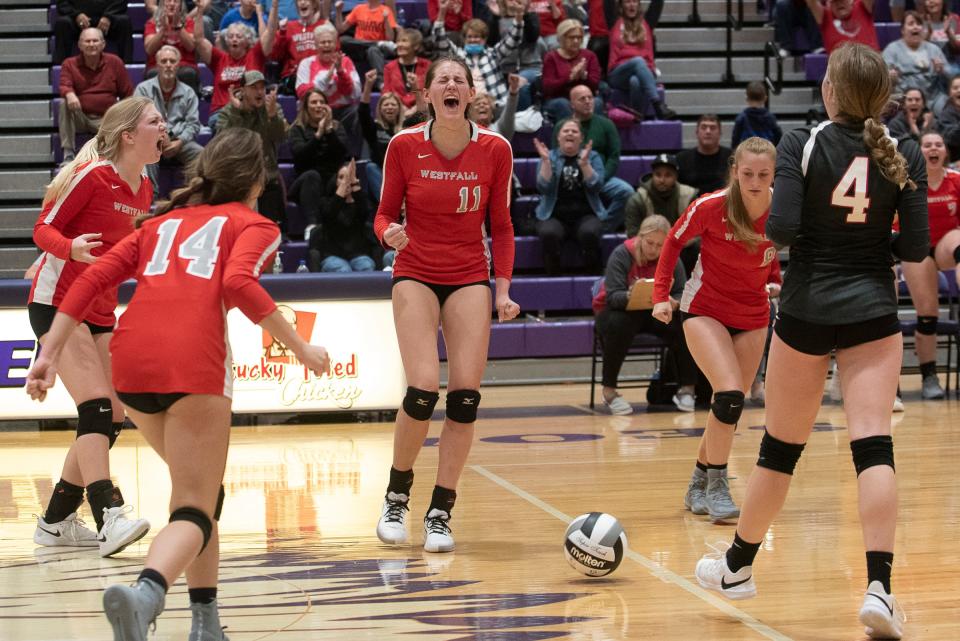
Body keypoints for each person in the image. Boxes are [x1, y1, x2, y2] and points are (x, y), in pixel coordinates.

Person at [26, 128, 331, 641]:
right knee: (195, 504)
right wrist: (300, 348)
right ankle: (147, 593)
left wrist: (50, 352)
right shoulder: (255, 224)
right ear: (258, 179)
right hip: (191, 361)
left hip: (130, 362)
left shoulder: (160, 220)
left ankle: (206, 622)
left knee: (203, 496)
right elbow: (237, 283)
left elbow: (90, 279)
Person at [693, 44, 928, 641]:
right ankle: (879, 588)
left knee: (779, 448)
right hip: (873, 309)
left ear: (831, 91)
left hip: (805, 307)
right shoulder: (902, 150)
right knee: (873, 446)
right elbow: (915, 249)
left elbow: (783, 228)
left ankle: (739, 567)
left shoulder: (803, 141)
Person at [372, 56, 520, 553]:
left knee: (464, 397)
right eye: (443, 80)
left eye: (460, 79)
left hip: (469, 274)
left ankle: (440, 510)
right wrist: (388, 234)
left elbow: (500, 225)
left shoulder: (496, 149)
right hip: (414, 267)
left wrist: (503, 290)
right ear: (427, 94)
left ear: (472, 93)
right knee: (421, 389)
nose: (452, 85)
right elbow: (384, 215)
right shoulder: (404, 145)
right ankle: (397, 495)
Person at [29, 96, 161, 559]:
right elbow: (42, 229)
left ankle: (55, 520)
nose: (162, 127)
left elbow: (129, 252)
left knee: (115, 415)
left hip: (102, 311)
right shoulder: (92, 177)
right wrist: (70, 249)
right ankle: (111, 514)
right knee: (97, 409)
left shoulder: (144, 187)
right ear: (129, 135)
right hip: (57, 305)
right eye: (153, 121)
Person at [652, 137, 782, 523]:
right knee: (727, 396)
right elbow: (673, 242)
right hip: (703, 309)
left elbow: (775, 254)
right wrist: (662, 295)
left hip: (754, 314)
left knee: (729, 407)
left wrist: (777, 280)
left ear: (774, 174)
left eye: (763, 174)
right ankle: (718, 487)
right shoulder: (711, 206)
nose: (755, 182)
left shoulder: (785, 209)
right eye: (747, 174)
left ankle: (697, 480)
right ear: (734, 171)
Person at [594, 214, 697, 414]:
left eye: (660, 245)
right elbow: (612, 297)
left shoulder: (672, 258)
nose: (654, 249)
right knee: (619, 324)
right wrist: (632, 295)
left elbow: (682, 292)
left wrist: (674, 303)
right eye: (650, 243)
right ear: (640, 237)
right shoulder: (622, 254)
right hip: (618, 312)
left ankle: (688, 389)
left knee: (687, 323)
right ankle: (609, 391)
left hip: (655, 313)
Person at [900, 129, 960, 399]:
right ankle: (929, 376)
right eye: (927, 145)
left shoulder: (956, 180)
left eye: (938, 144)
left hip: (949, 245)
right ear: (919, 151)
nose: (933, 148)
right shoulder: (908, 182)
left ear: (945, 152)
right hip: (919, 247)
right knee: (928, 315)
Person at [217, 70, 290, 228]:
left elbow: (281, 138)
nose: (259, 92)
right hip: (238, 176)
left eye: (262, 87)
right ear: (242, 90)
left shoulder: (272, 108)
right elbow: (226, 143)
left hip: (266, 175)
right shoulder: (228, 112)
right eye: (253, 87)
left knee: (270, 227)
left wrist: (272, 117)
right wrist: (239, 113)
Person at [534, 120, 608, 275]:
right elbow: (543, 188)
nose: (570, 133)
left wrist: (584, 165)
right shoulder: (549, 156)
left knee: (590, 233)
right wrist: (546, 162)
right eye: (565, 131)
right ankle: (554, 277)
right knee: (549, 233)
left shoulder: (593, 157)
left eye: (574, 131)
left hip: (586, 215)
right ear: (558, 137)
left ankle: (594, 278)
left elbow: (596, 186)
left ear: (581, 138)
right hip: (554, 215)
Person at [194, 0, 280, 130]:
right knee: (232, 127)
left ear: (247, 40)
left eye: (238, 36)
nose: (234, 39)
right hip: (221, 113)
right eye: (231, 36)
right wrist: (199, 12)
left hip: (250, 111)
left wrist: (274, 6)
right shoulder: (219, 58)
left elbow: (271, 32)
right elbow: (199, 40)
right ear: (226, 41)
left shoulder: (255, 55)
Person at [134, 45, 203, 198]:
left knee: (201, 154)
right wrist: (159, 135)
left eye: (172, 61)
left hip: (179, 141)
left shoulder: (188, 92)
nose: (168, 65)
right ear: (157, 64)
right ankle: (149, 199)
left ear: (178, 65)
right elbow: (138, 119)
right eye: (164, 61)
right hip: (151, 141)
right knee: (144, 152)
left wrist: (179, 142)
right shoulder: (143, 89)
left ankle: (192, 196)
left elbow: (194, 124)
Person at [433, 0, 525, 112]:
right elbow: (439, 38)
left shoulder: (493, 54)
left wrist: (519, 15)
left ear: (484, 39)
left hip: (495, 106)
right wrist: (442, 11)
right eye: (470, 37)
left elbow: (514, 38)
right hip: (466, 108)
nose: (473, 40)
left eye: (477, 37)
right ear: (464, 39)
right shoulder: (457, 56)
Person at [58, 28, 133, 165]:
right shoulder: (69, 64)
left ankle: (113, 157)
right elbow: (64, 84)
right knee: (64, 104)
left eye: (95, 40)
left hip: (107, 119)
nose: (91, 44)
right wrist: (69, 93)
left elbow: (128, 94)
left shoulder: (115, 62)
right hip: (81, 118)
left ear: (103, 44)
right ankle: (68, 154)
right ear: (80, 45)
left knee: (127, 112)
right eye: (87, 41)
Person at [288, 87, 350, 240]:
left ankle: (344, 229)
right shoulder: (297, 128)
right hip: (304, 183)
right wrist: (318, 135)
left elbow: (342, 153)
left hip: (329, 182)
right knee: (312, 175)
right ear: (306, 107)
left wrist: (328, 131)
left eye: (322, 102)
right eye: (314, 102)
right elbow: (300, 156)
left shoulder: (336, 127)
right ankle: (312, 225)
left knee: (343, 177)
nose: (318, 105)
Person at [295, 22, 363, 155]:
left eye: (330, 42)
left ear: (336, 44)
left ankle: (353, 157)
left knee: (357, 111)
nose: (326, 45)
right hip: (315, 112)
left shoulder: (345, 62)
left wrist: (341, 72)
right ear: (316, 45)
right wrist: (328, 76)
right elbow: (302, 92)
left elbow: (354, 93)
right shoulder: (306, 63)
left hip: (343, 112)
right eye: (322, 42)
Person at [624, 153, 698, 274]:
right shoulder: (637, 200)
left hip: (681, 250)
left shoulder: (689, 196)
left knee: (697, 247)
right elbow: (633, 235)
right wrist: (653, 244)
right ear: (652, 175)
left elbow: (700, 232)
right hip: (649, 249)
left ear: (676, 177)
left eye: (668, 175)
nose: (662, 180)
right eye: (658, 175)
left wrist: (681, 242)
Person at [607, 0, 678, 121]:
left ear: (639, 5)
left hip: (644, 72)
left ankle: (636, 115)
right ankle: (657, 104)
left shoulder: (647, 22)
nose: (631, 5)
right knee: (638, 61)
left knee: (635, 81)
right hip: (619, 73)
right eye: (627, 2)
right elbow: (607, 3)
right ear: (621, 5)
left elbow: (657, 3)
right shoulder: (614, 21)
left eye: (635, 1)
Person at [309, 159, 380, 271]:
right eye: (341, 177)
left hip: (358, 255)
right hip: (332, 255)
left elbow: (365, 212)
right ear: (335, 181)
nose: (345, 182)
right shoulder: (326, 202)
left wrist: (354, 183)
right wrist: (342, 190)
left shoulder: (361, 200)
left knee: (366, 266)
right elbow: (329, 214)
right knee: (343, 270)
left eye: (349, 178)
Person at [884, 11, 950, 114]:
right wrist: (891, 77)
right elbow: (882, 78)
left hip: (932, 98)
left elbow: (950, 76)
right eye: (911, 24)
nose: (916, 27)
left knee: (947, 105)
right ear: (902, 30)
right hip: (904, 98)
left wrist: (942, 70)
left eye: (919, 24)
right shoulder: (892, 50)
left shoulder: (934, 49)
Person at [542, 19, 602, 122]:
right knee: (563, 104)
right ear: (562, 38)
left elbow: (596, 85)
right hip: (559, 98)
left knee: (596, 102)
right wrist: (569, 77)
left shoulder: (589, 56)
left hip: (584, 97)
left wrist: (584, 76)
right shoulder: (551, 57)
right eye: (572, 37)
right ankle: (572, 134)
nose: (576, 41)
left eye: (579, 37)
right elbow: (548, 88)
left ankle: (593, 136)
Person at [360, 70, 405, 205]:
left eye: (393, 104)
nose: (389, 107)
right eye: (386, 104)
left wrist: (415, 89)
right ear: (380, 109)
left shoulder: (407, 128)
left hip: (403, 175)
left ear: (399, 108)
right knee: (370, 167)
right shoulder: (374, 129)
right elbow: (362, 112)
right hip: (381, 174)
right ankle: (391, 206)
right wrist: (368, 85)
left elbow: (422, 114)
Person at [335, 0, 398, 87]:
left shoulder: (385, 10)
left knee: (373, 50)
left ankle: (381, 83)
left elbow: (390, 38)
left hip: (377, 51)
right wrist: (338, 11)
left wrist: (386, 20)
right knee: (343, 40)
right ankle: (377, 43)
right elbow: (340, 29)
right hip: (359, 48)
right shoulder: (359, 9)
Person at [272, 0, 328, 95]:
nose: (302, 3)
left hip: (319, 74)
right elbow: (276, 56)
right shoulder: (288, 27)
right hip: (293, 77)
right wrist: (282, 33)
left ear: (314, 5)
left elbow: (333, 51)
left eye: (306, 0)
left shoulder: (324, 26)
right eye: (299, 0)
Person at [143, 0, 200, 93]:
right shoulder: (152, 23)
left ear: (181, 5)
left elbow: (191, 46)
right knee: (153, 73)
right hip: (158, 66)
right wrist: (163, 30)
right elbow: (149, 49)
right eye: (168, 0)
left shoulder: (189, 22)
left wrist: (178, 27)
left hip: (184, 65)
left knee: (188, 73)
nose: (172, 4)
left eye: (176, 1)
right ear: (162, 4)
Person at [54, 0, 134, 63]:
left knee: (124, 21)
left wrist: (108, 16)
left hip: (109, 18)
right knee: (62, 23)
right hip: (77, 20)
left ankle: (126, 65)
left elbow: (121, 2)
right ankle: (62, 66)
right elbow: (62, 3)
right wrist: (77, 15)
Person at [676, 114, 733, 196]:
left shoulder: (732, 158)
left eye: (713, 128)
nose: (708, 131)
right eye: (704, 127)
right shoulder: (682, 159)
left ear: (720, 133)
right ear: (697, 132)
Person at [382, 28, 431, 117]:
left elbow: (430, 92)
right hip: (397, 113)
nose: (399, 44)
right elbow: (387, 92)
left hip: (422, 111)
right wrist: (401, 109)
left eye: (404, 41)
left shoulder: (427, 65)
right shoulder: (389, 67)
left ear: (416, 46)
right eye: (398, 41)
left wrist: (413, 110)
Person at [804, 0, 879, 54]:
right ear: (829, 4)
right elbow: (811, 2)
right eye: (835, 2)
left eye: (842, 0)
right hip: (841, 71)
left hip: (870, 68)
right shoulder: (825, 16)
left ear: (851, 1)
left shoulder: (862, 7)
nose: (839, 4)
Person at [732, 81, 783, 146]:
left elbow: (735, 140)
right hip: (766, 153)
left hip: (747, 153)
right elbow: (778, 137)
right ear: (765, 98)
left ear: (747, 98)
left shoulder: (741, 118)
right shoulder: (770, 118)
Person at [937, 74, 960, 160]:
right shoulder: (945, 115)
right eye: (955, 88)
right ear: (950, 93)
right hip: (954, 161)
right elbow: (951, 139)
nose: (959, 90)